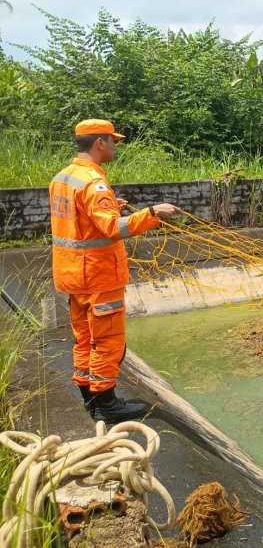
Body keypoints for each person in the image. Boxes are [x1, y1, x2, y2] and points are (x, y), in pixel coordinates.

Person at [49, 119, 179, 424]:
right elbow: (112, 228)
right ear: (99, 143)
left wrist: (112, 207)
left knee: (84, 339)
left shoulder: (63, 178)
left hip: (73, 275)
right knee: (108, 341)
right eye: (113, 141)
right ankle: (107, 404)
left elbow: (82, 221)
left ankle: (90, 399)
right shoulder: (93, 183)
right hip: (98, 276)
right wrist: (153, 213)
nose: (115, 147)